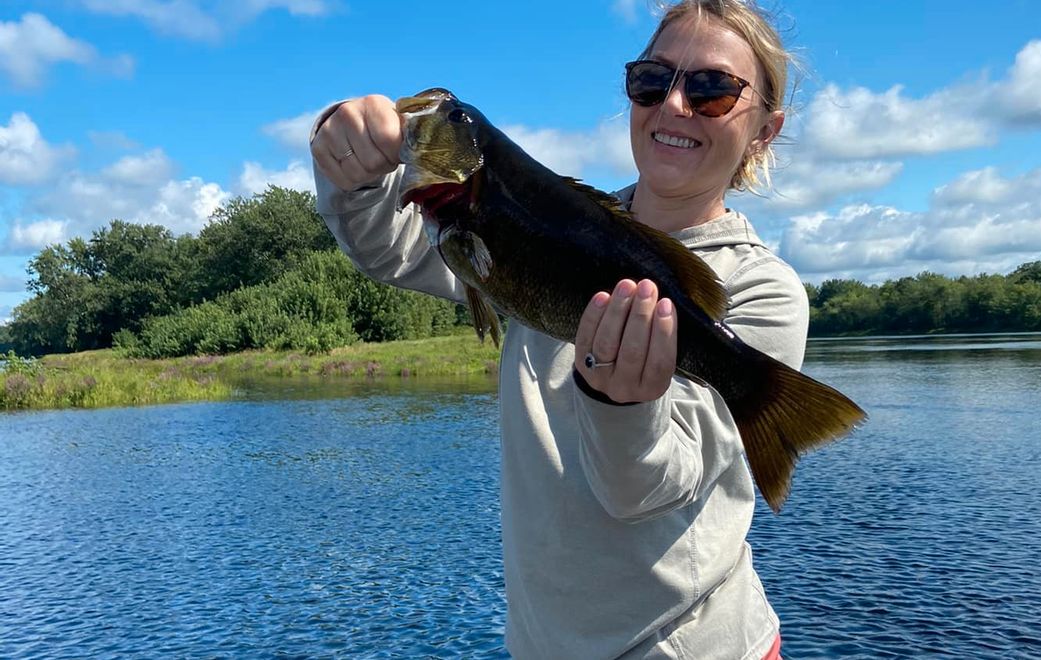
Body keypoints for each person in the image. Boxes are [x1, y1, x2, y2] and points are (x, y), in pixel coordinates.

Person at [310, 1, 806, 657]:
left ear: (764, 131)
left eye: (712, 90)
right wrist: (351, 167)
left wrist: (621, 404)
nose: (674, 105)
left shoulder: (763, 291)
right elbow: (388, 248)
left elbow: (648, 491)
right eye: (651, 81)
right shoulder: (547, 224)